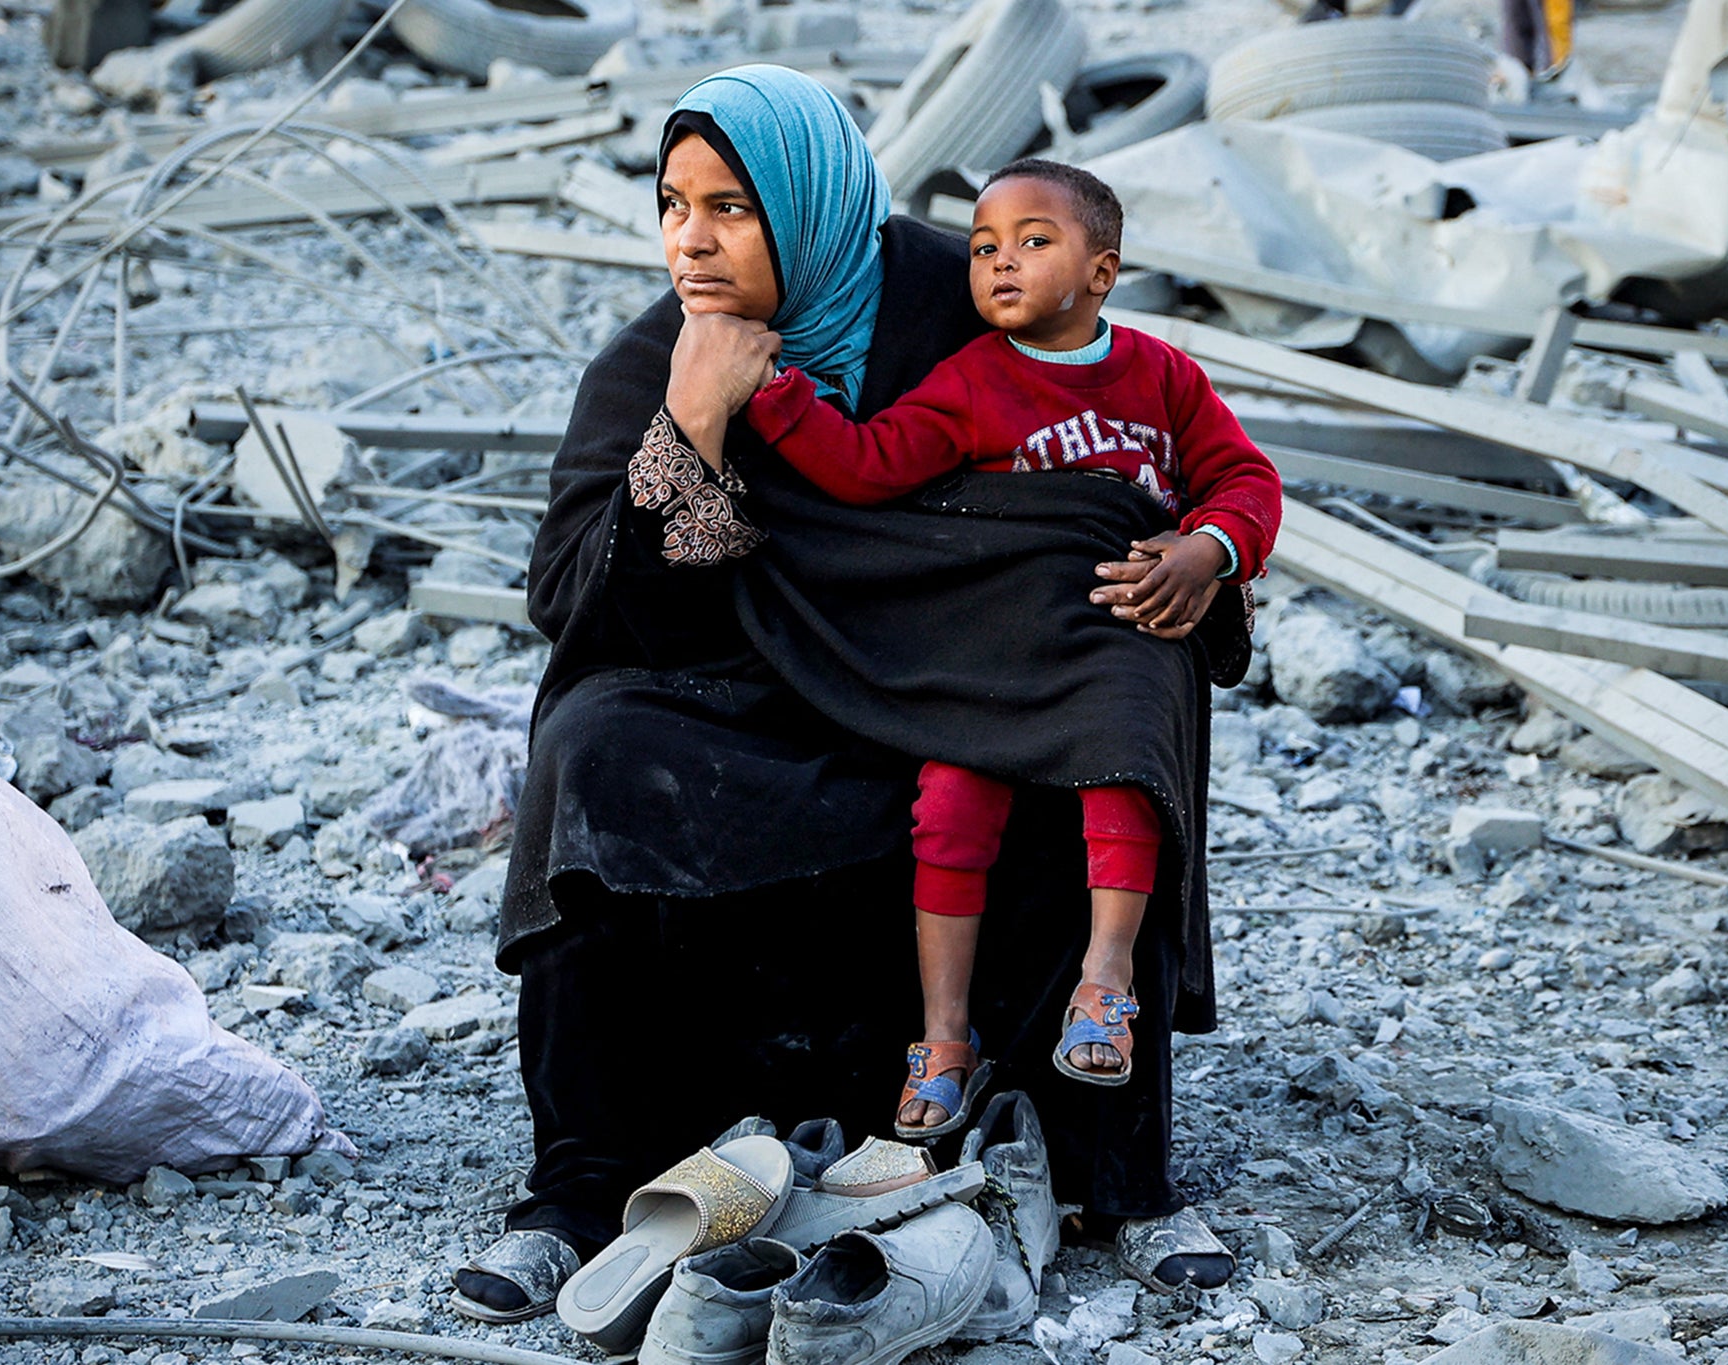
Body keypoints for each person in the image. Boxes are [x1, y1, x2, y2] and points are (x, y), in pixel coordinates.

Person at [451, 65, 1245, 1324]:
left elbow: (1108, 446)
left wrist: (1194, 552)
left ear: (810, 205)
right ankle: (578, 1189)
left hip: (957, 685)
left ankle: (1117, 1176)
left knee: (1115, 696)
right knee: (594, 745)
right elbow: (583, 607)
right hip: (745, 700)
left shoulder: (962, 296)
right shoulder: (661, 356)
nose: (690, 240)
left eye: (730, 208)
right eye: (671, 204)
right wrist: (695, 427)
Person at [723, 159, 1281, 1140]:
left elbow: (1242, 477)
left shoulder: (1160, 375)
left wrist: (1207, 547)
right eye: (983, 248)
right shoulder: (972, 382)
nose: (999, 262)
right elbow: (869, 466)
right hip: (991, 647)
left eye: (1032, 241)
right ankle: (943, 1038)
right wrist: (775, 397)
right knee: (947, 804)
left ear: (1101, 272)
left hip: (1113, 640)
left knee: (1120, 769)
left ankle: (1103, 984)